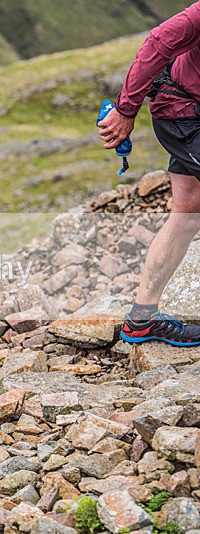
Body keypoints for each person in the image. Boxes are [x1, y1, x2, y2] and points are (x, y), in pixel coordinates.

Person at [98, 2, 200, 346]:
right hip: (184, 113)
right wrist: (126, 110)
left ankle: (142, 319)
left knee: (188, 211)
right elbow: (157, 43)